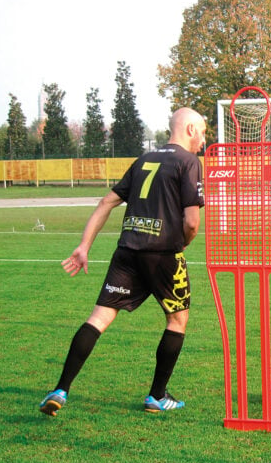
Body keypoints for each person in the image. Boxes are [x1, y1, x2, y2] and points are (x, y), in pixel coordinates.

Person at [38, 107, 207, 416]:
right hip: (163, 255)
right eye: (204, 132)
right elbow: (192, 222)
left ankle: (60, 389)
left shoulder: (143, 160)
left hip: (127, 251)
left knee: (99, 318)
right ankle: (157, 396)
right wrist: (179, 245)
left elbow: (107, 202)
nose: (204, 139)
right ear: (191, 130)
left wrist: (83, 246)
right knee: (177, 321)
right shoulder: (188, 162)